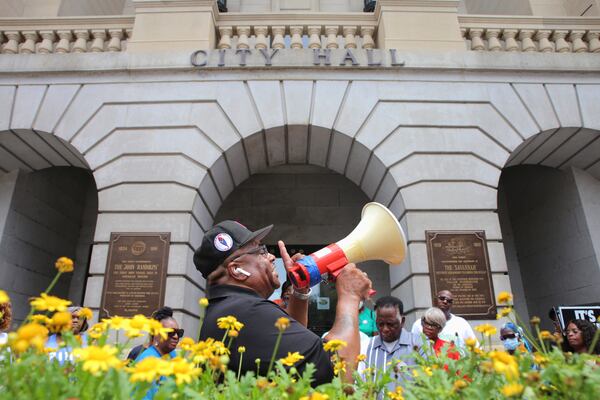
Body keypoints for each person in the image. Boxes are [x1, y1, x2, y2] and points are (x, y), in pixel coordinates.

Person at [194, 220, 371, 385]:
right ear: (236, 270)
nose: (271, 257)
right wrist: (350, 295)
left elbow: (291, 350)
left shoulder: (230, 308)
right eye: (260, 251)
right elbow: (339, 371)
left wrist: (300, 289)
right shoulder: (247, 312)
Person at [361, 296, 424, 392]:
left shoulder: (420, 345)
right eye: (380, 324)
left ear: (402, 321)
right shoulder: (366, 346)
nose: (385, 329)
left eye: (390, 324)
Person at [134, 308, 182, 400]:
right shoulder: (147, 361)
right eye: (170, 332)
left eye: (178, 333)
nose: (176, 337)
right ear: (156, 334)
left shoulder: (172, 354)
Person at [411, 290, 478, 349]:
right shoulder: (419, 324)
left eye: (449, 301)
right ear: (434, 300)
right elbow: (412, 347)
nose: (445, 301)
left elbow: (475, 347)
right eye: (442, 298)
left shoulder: (461, 323)